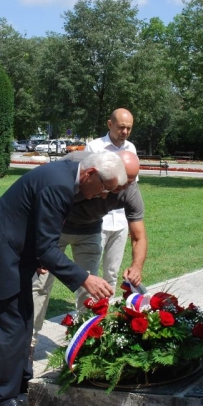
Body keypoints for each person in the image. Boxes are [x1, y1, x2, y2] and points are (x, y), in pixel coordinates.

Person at [0, 152, 126, 406]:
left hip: (16, 251)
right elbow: (48, 246)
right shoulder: (59, 185)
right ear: (90, 173)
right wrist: (84, 278)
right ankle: (3, 398)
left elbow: (41, 233)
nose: (103, 195)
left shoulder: (67, 178)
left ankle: (21, 385)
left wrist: (40, 255)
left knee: (24, 319)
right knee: (12, 326)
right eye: (104, 187)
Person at [31, 150, 147, 348]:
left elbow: (139, 236)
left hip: (89, 231)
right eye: (124, 180)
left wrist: (136, 266)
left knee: (90, 288)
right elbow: (44, 191)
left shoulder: (130, 189)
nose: (125, 186)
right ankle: (29, 343)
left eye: (131, 181)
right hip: (56, 229)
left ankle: (85, 340)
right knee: (40, 284)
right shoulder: (79, 164)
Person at [85, 109, 138, 304]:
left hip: (121, 220)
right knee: (90, 270)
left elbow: (133, 186)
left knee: (112, 270)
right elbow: (85, 184)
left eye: (129, 128)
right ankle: (85, 314)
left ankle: (104, 311)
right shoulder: (94, 147)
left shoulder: (131, 148)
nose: (125, 132)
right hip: (96, 219)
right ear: (109, 124)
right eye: (121, 127)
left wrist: (133, 222)